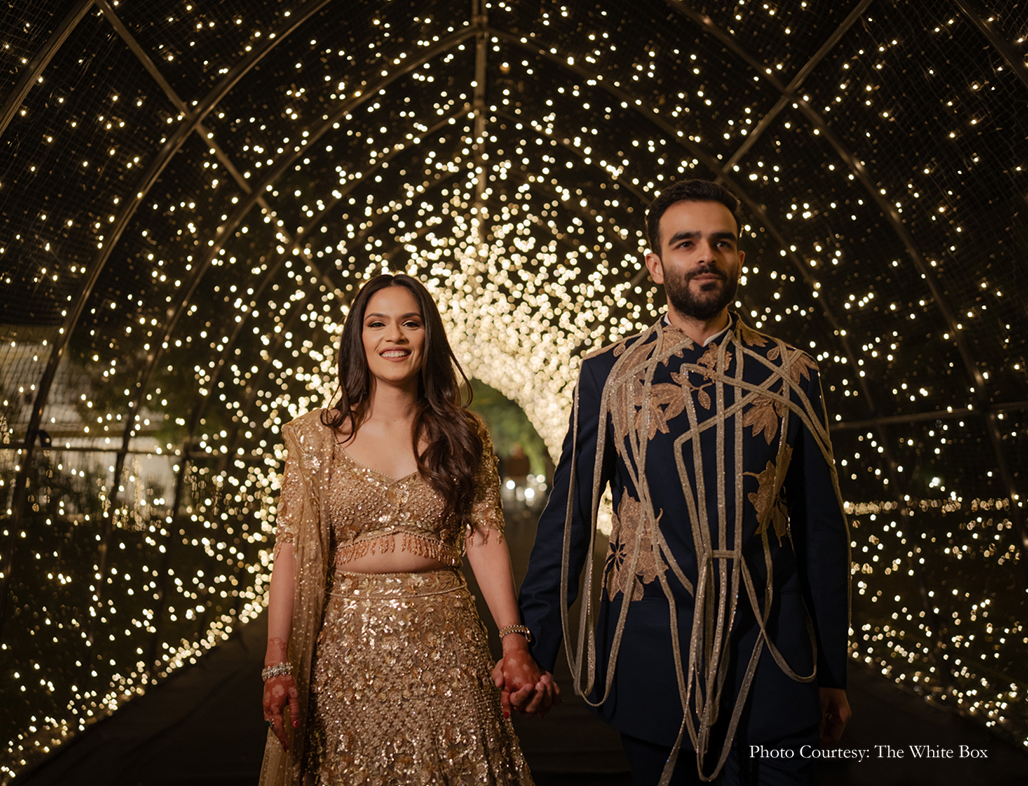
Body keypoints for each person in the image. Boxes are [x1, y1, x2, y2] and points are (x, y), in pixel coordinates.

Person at [517, 180, 852, 785]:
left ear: (740, 258)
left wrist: (833, 671)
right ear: (655, 264)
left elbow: (821, 531)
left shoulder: (791, 373)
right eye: (686, 243)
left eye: (721, 243)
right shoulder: (609, 376)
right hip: (649, 655)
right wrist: (531, 649)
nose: (706, 256)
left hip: (771, 658)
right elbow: (568, 519)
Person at [259, 273, 555, 786]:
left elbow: (484, 537)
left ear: (428, 337)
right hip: (348, 654)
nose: (393, 336)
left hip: (449, 647)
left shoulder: (464, 434)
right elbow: (291, 549)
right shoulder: (317, 438)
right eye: (378, 323)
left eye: (409, 323)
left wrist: (513, 644)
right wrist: (277, 660)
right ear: (359, 337)